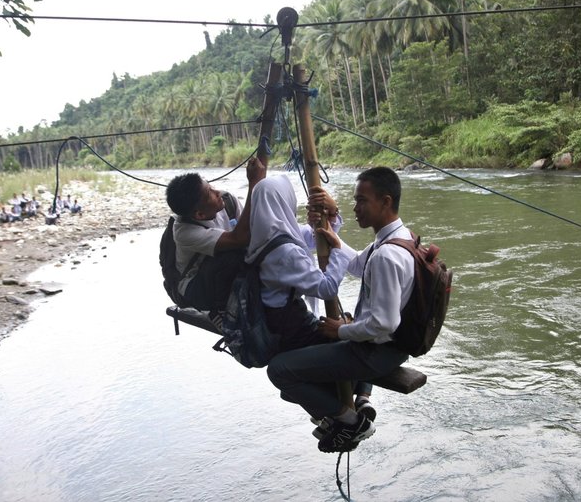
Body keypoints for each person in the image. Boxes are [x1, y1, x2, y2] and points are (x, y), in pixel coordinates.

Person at [267, 167, 415, 454]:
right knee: (295, 379)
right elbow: (360, 265)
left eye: (362, 201)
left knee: (280, 371)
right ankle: (356, 402)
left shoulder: (386, 255)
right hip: (389, 346)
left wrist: (340, 330)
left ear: (385, 201)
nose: (355, 208)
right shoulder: (396, 238)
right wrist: (335, 239)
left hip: (376, 353)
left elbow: (383, 324)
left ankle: (350, 422)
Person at [245, 174, 352, 352]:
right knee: (347, 340)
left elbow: (313, 238)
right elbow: (327, 288)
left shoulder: (261, 233)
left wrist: (331, 214)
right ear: (284, 201)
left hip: (273, 320)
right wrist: (339, 250)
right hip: (290, 329)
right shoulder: (285, 252)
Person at [165, 157, 265, 313]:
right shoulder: (183, 232)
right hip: (195, 287)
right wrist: (255, 184)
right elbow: (240, 238)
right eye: (209, 193)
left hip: (220, 277)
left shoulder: (227, 201)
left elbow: (254, 227)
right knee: (232, 255)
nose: (217, 192)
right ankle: (220, 311)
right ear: (199, 214)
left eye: (210, 186)